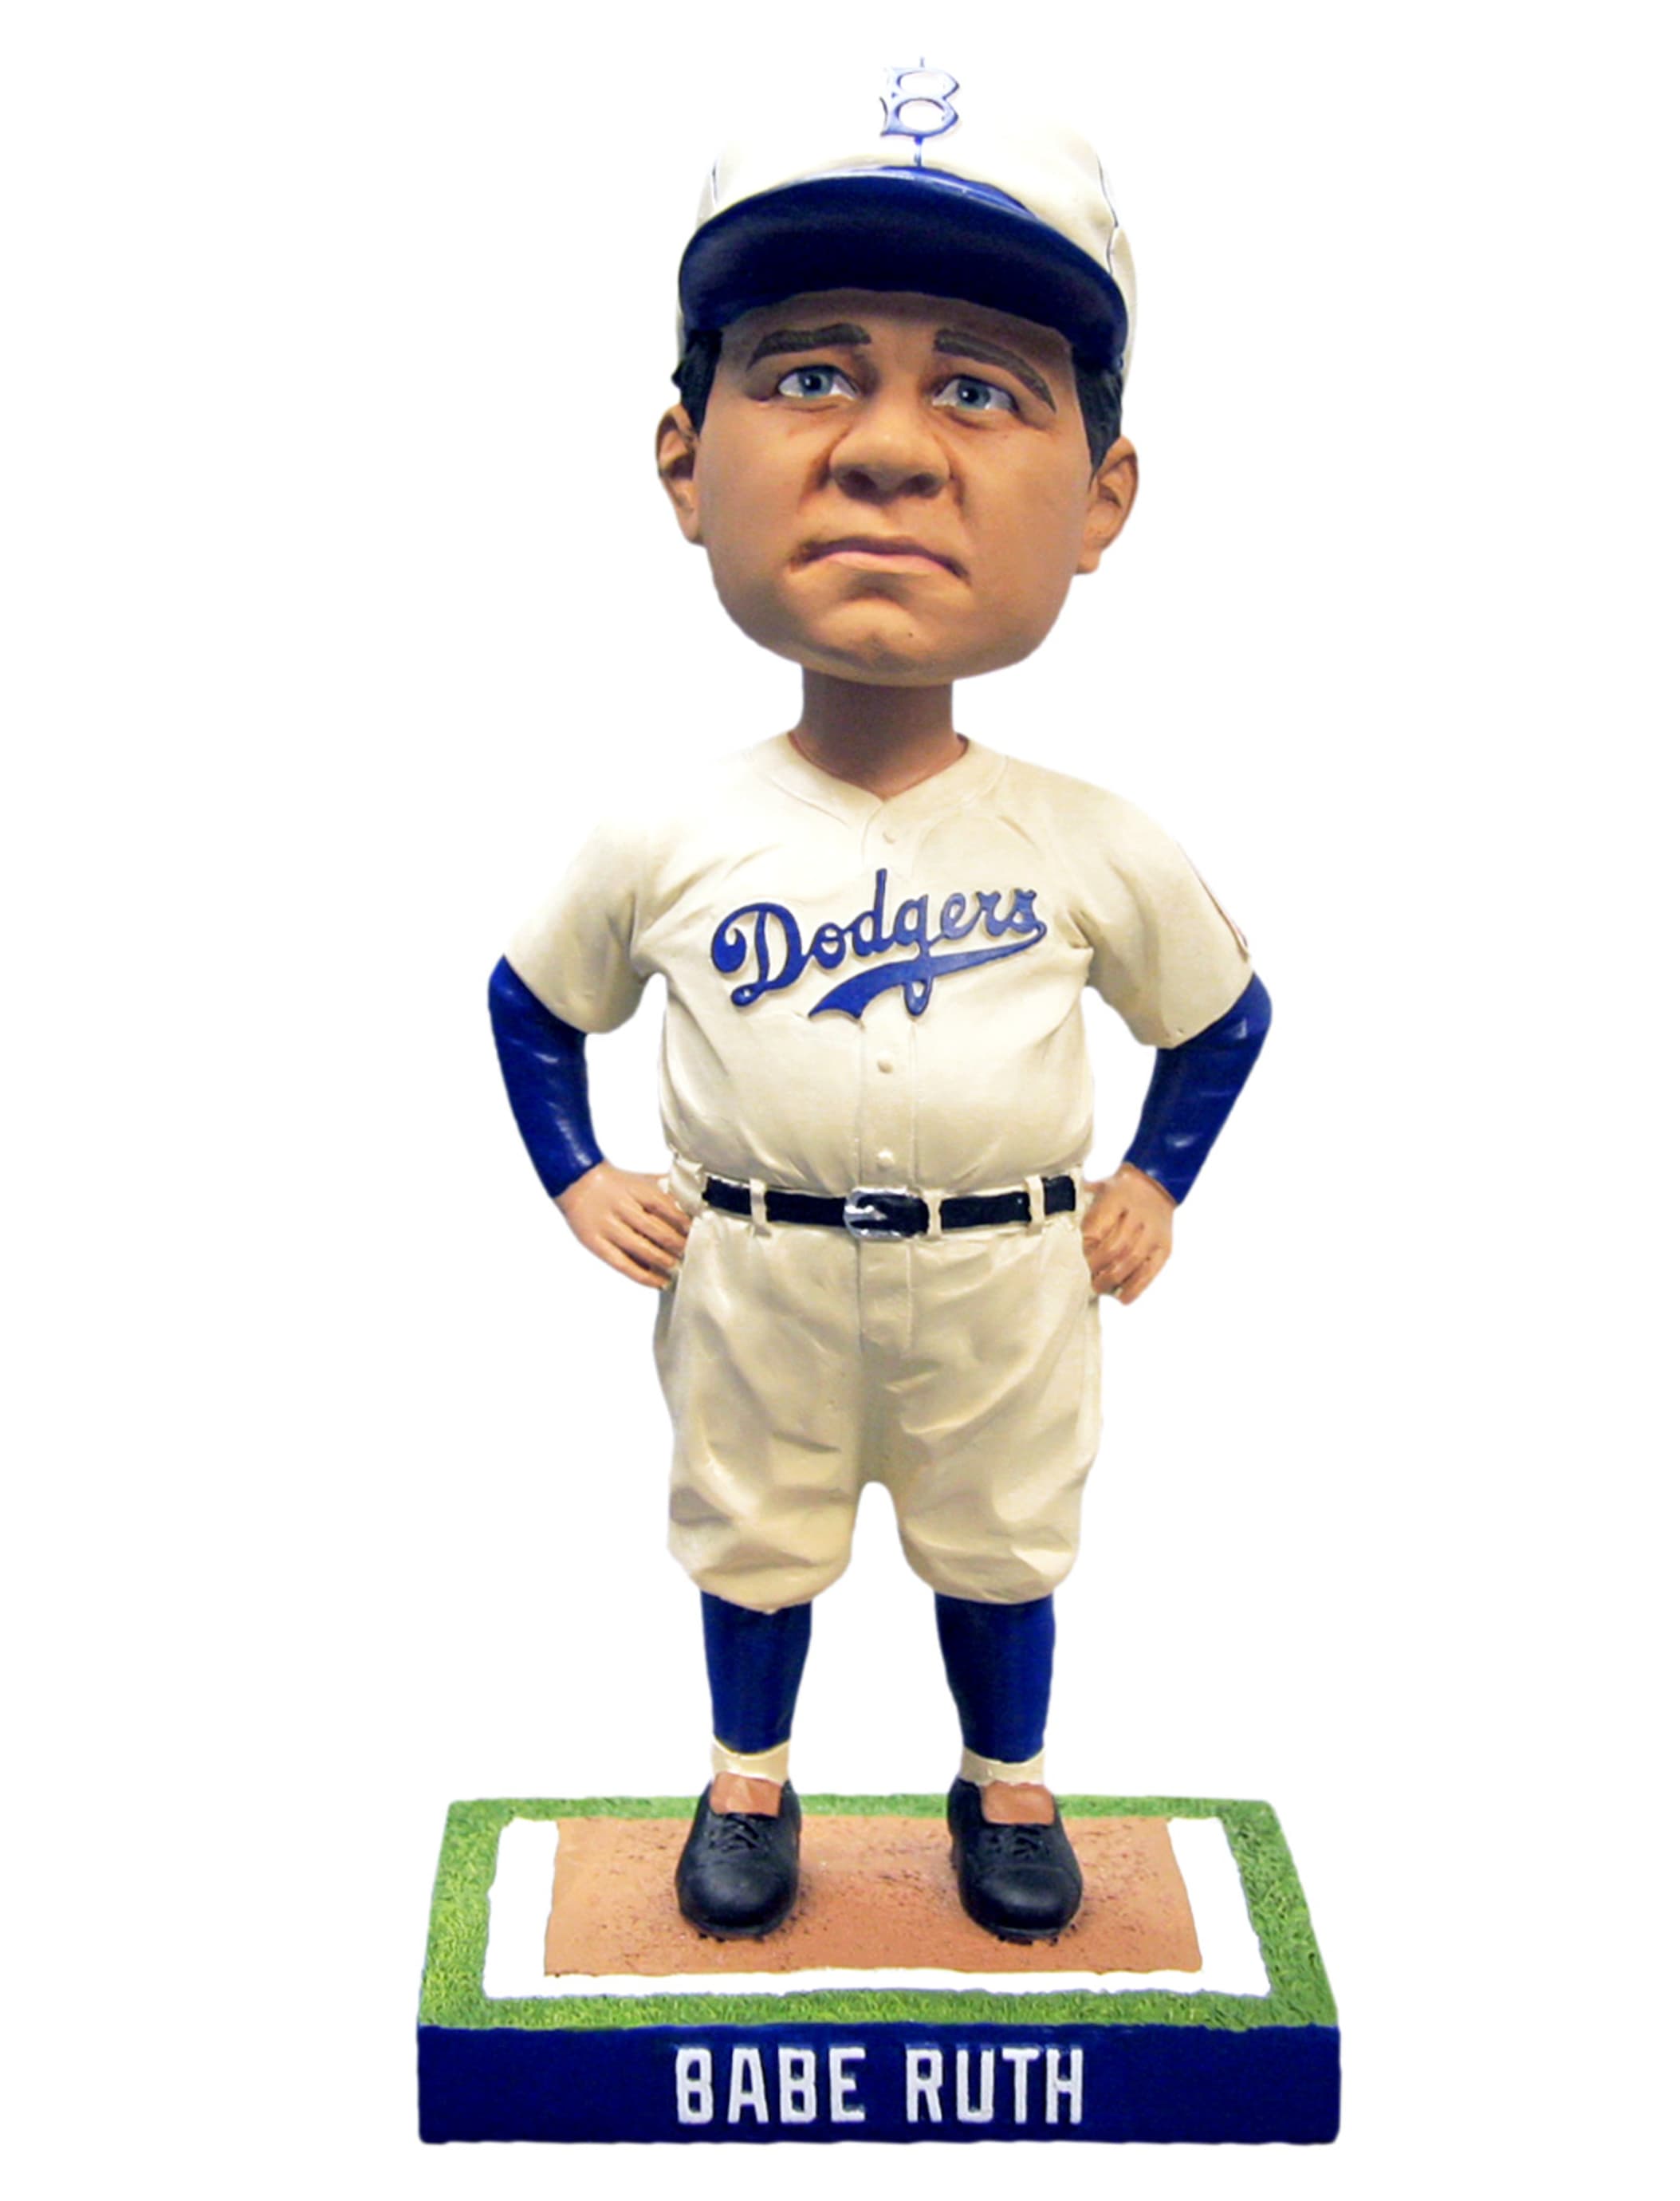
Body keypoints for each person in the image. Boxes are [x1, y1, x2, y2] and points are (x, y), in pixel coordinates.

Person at [489, 65, 1271, 1943]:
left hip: (1006, 1268)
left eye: (982, 389)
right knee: (752, 1541)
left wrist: (1156, 1180)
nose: (892, 454)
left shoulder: (1086, 838)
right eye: (810, 375)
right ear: (689, 461)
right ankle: (746, 1783)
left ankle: (1009, 1787)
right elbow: (531, 999)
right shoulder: (671, 830)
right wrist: (576, 1174)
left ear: (1101, 498)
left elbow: (1224, 1016)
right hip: (751, 1262)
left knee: (1002, 1547)